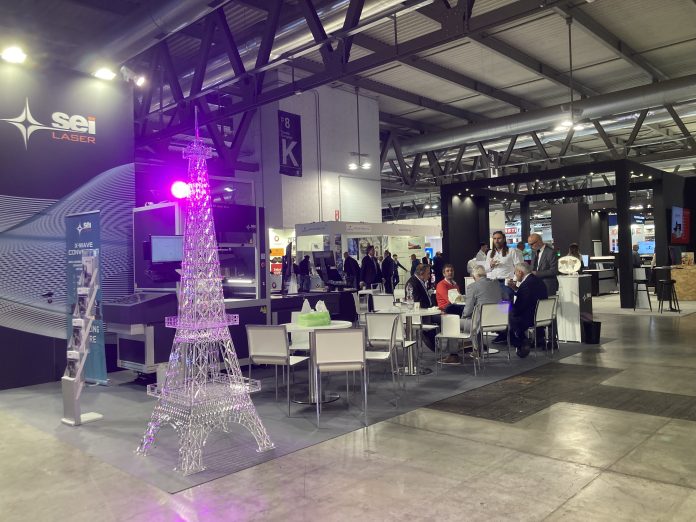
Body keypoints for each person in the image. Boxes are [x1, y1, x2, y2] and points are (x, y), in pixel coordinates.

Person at [507, 263, 548, 358]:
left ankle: (522, 341)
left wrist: (509, 309)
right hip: (541, 315)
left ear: (520, 272)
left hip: (530, 317)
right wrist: (515, 289)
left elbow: (520, 306)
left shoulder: (526, 284)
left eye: (515, 273)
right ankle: (533, 338)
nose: (515, 275)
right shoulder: (539, 281)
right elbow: (528, 295)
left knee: (509, 317)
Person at [405, 263, 436, 350]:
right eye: (428, 273)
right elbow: (416, 302)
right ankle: (437, 348)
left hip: (428, 311)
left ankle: (439, 347)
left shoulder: (420, 281)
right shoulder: (412, 283)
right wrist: (430, 309)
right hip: (421, 315)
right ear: (421, 273)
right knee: (442, 319)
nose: (429, 276)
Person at [485, 230, 523, 302]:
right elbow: (486, 269)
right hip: (493, 283)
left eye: (499, 238)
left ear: (504, 239)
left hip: (506, 283)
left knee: (506, 306)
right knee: (494, 304)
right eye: (495, 238)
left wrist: (514, 280)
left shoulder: (511, 251)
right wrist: (490, 265)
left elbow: (519, 267)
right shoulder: (490, 253)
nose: (497, 241)